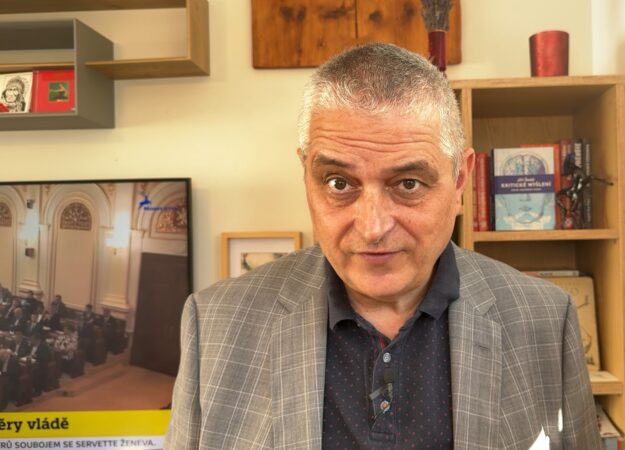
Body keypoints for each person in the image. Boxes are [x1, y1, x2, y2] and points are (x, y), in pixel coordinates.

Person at [165, 43, 600, 449]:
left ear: (460, 182)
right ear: (306, 175)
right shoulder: (216, 323)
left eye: (408, 184)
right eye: (339, 183)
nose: (373, 227)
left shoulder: (545, 320)